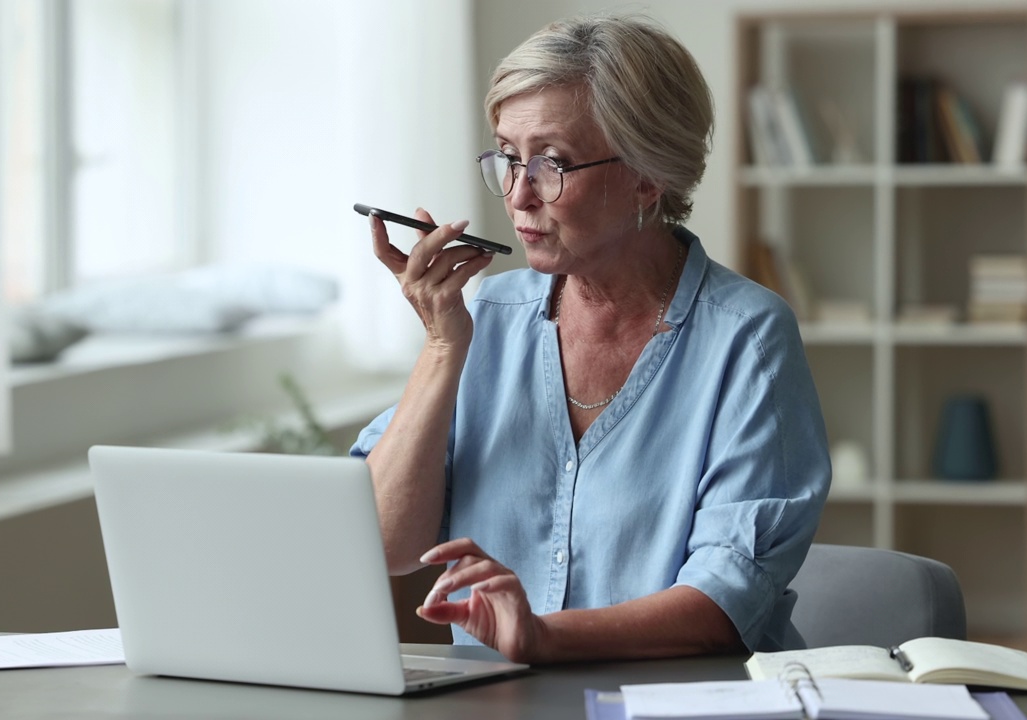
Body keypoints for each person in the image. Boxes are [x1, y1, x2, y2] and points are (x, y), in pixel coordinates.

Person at [350, 13, 830, 664]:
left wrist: (542, 637)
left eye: (552, 164)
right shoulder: (482, 316)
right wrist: (441, 349)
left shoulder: (747, 339)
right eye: (508, 159)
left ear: (646, 175)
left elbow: (725, 601)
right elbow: (385, 544)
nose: (518, 197)